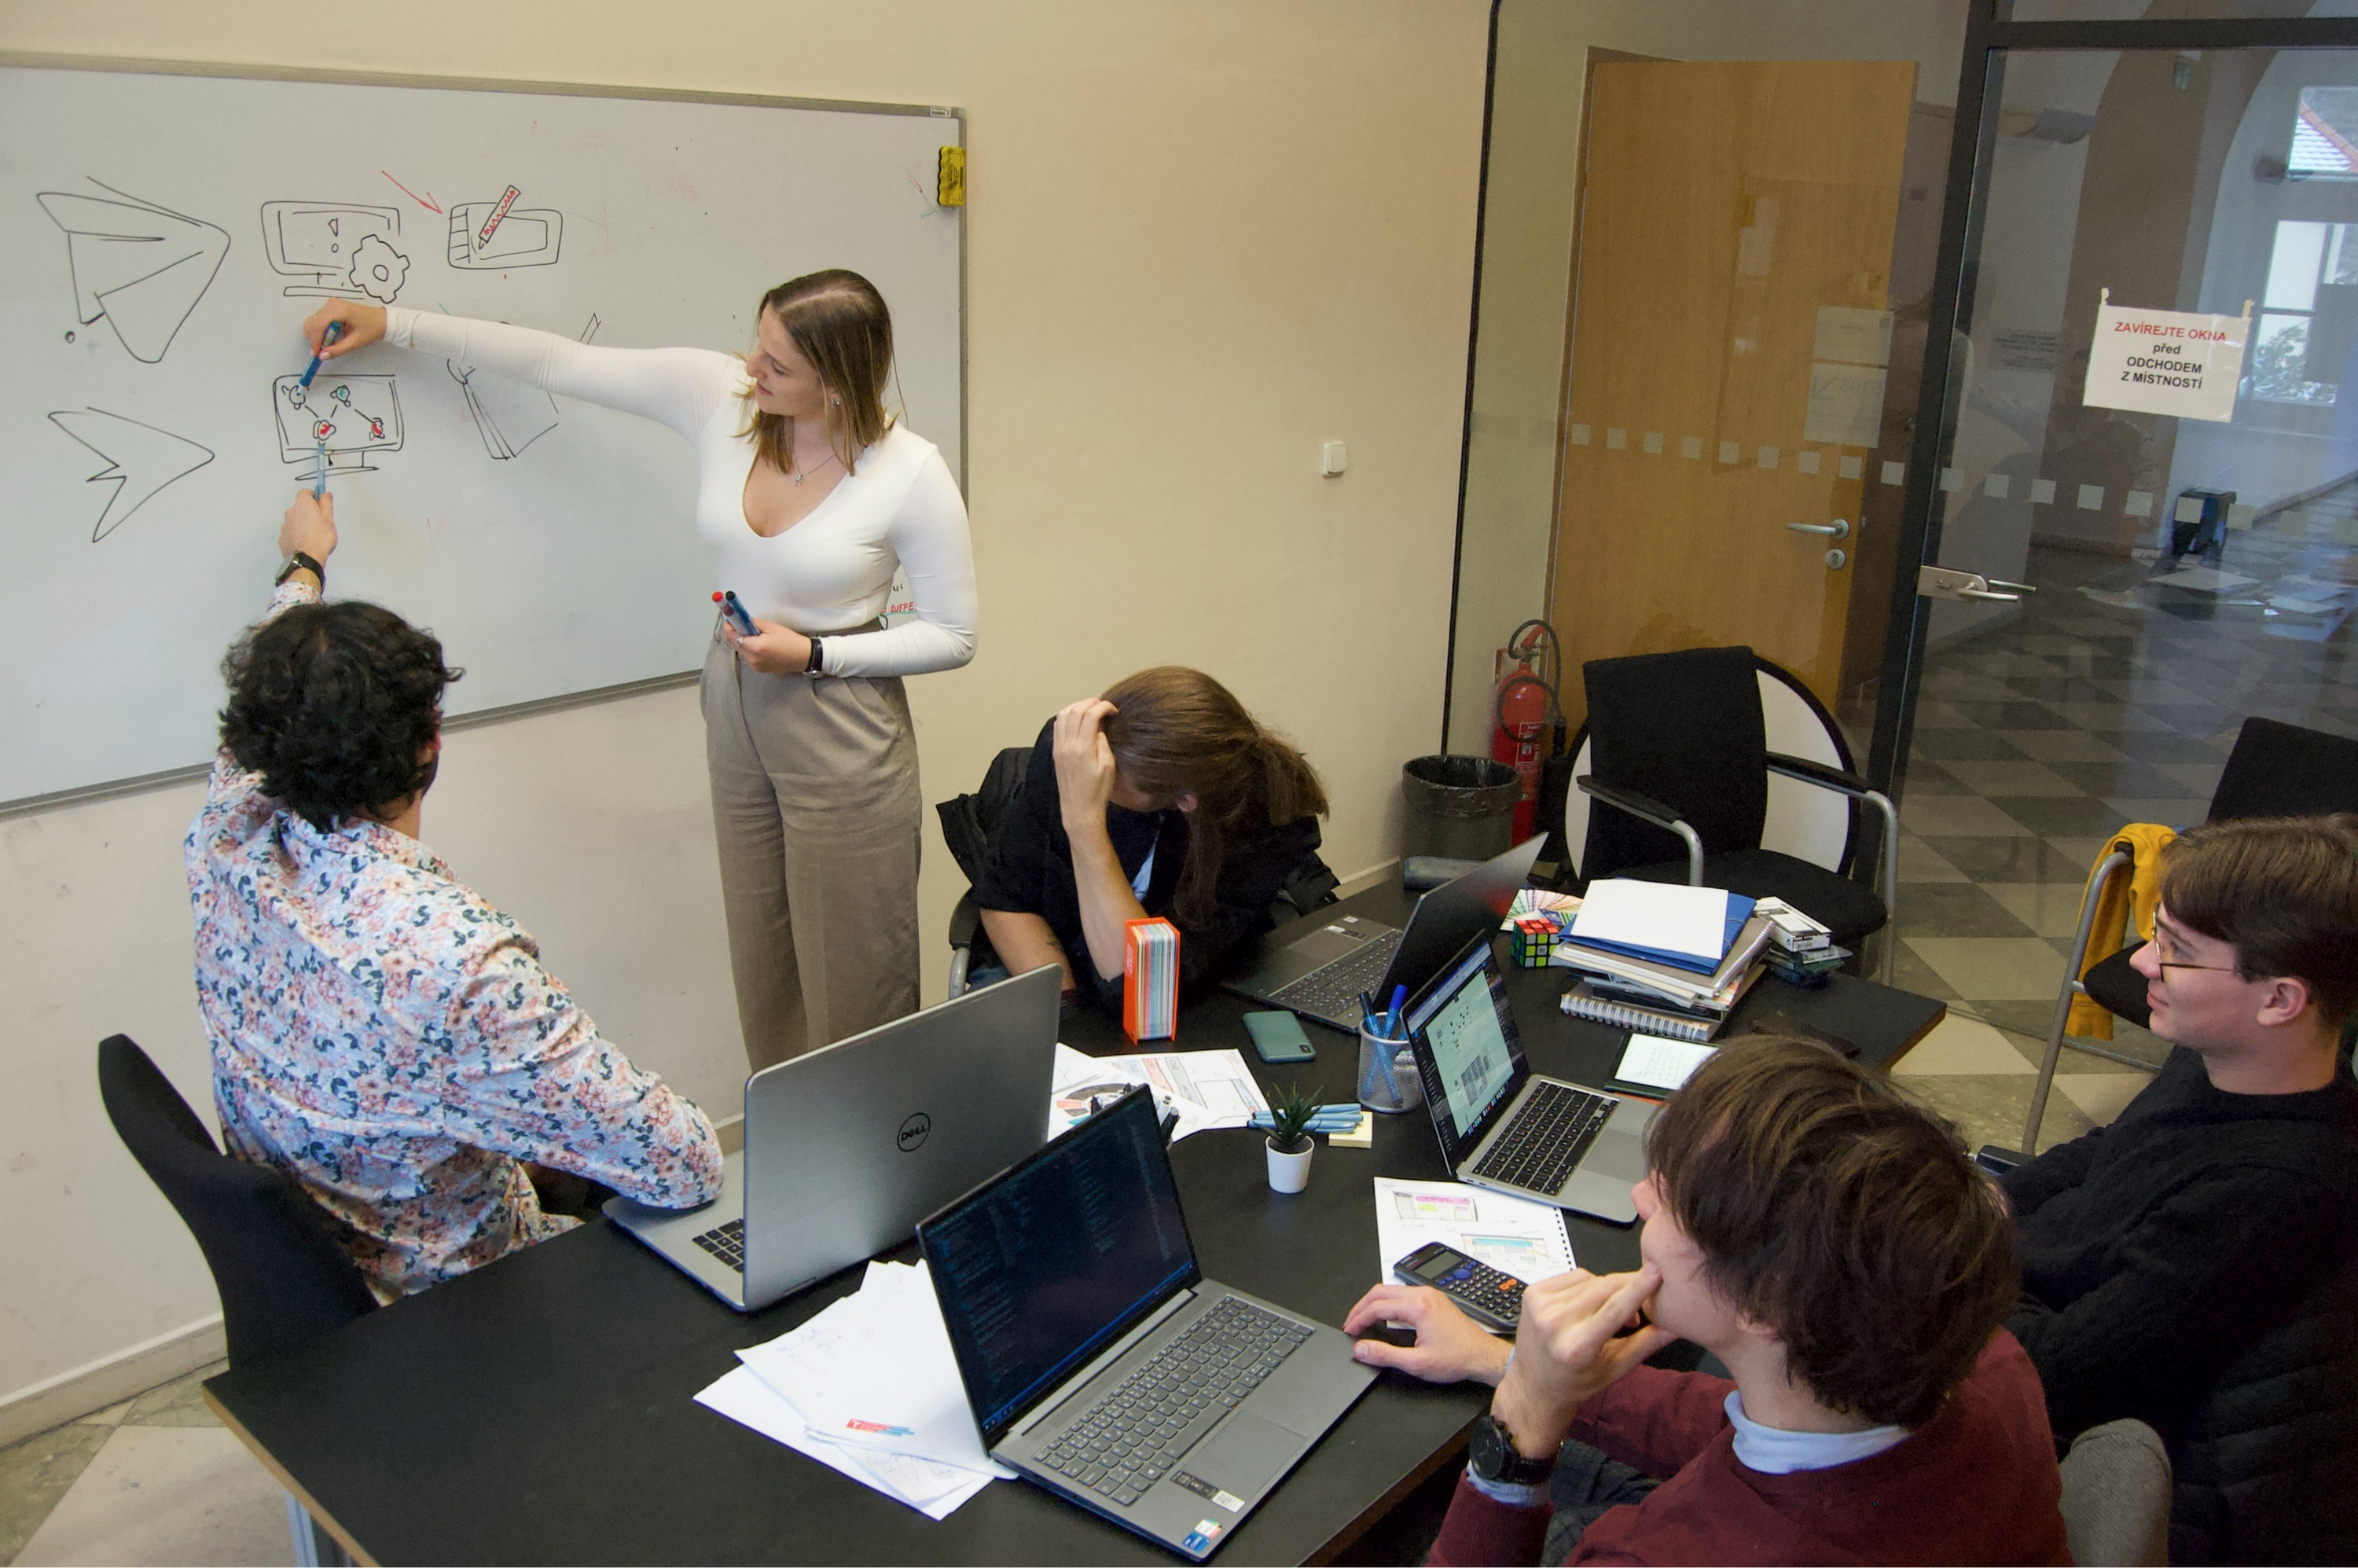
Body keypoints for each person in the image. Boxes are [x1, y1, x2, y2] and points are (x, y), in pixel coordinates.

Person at [299, 270, 976, 1070]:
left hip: (840, 713)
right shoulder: (726, 398)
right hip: (735, 694)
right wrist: (395, 320)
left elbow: (953, 634)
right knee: (765, 965)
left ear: (837, 382)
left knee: (857, 974)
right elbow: (560, 363)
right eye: (756, 345)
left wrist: (819, 655)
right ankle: (798, 1162)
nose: (752, 370)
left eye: (779, 365)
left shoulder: (910, 471)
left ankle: (877, 1169)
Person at [187, 489, 723, 1302]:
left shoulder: (228, 832)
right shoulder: (453, 959)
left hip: (320, 1274)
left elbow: (268, 690)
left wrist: (304, 566)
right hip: (460, 1304)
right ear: (430, 744)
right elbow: (680, 1163)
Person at [1343, 1037, 2066, 1566]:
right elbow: (1727, 1421)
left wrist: (1522, 1419)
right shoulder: (1990, 1362)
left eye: (1673, 1201)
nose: (1639, 1199)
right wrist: (1503, 1359)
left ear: (1763, 1303)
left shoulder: (1664, 1556)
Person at [2000, 814, 2358, 1555]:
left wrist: (1924, 1270)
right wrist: (1976, 1199)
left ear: (2281, 999)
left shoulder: (2277, 1190)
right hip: (2019, 1301)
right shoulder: (2215, 1056)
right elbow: (2108, 1153)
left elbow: (2067, 1374)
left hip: (2094, 1438)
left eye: (2176, 951)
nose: (2139, 963)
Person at [973, 667, 1329, 1013]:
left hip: (1170, 986)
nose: (1093, 772)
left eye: (1109, 781)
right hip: (1054, 963)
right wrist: (1065, 1012)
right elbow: (1007, 899)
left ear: (1185, 801)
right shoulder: (1074, 755)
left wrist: (1085, 825)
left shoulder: (1266, 823)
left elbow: (1141, 990)